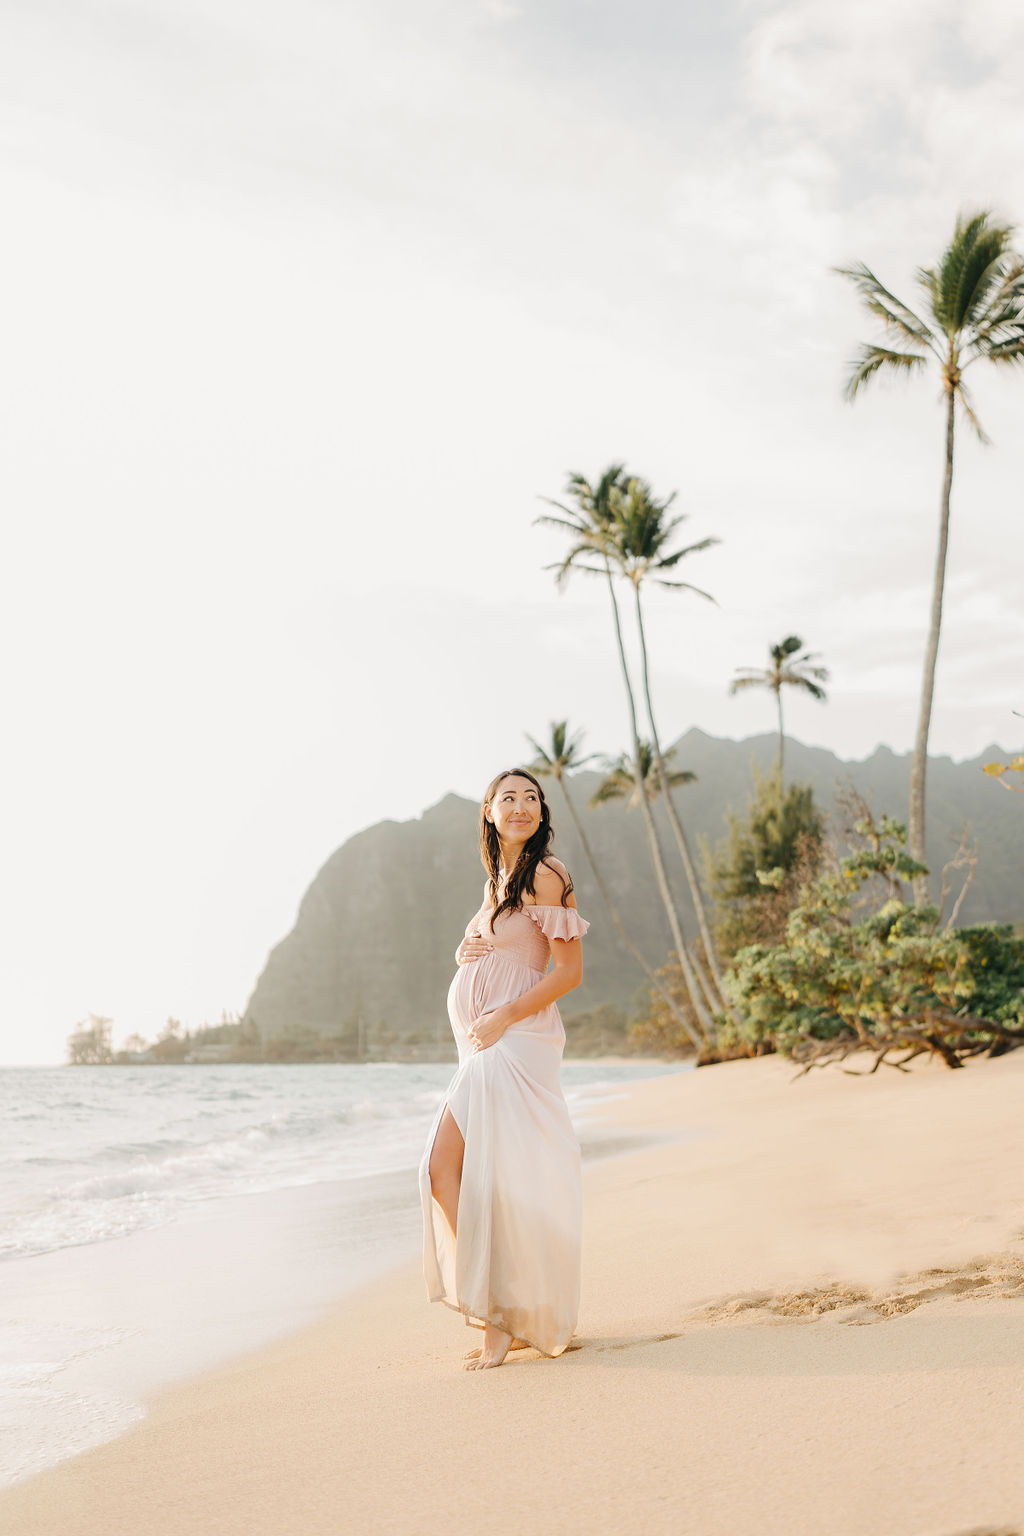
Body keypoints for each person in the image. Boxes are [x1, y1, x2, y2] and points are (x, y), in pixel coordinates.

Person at [418, 767, 590, 1370]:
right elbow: (504, 949)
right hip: (484, 1045)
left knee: (454, 1171)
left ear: (542, 812)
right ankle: (505, 1308)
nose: (522, 805)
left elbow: (567, 973)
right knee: (454, 1174)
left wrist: (502, 1017)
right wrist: (464, 952)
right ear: (488, 812)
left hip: (514, 1041)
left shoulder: (548, 874)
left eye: (532, 797)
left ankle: (501, 1319)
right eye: (508, 797)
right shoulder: (495, 883)